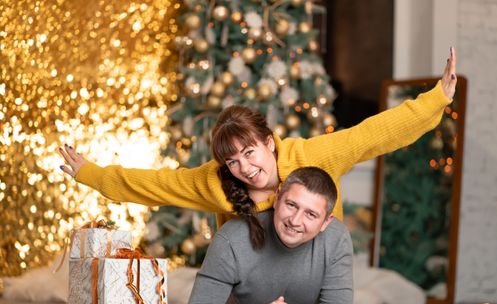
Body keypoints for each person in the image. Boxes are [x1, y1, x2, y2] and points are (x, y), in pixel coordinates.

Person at [59, 48, 457, 246]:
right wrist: (90, 173)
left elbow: (375, 133)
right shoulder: (216, 184)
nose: (245, 168)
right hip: (256, 279)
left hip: (316, 270)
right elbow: (156, 184)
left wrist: (436, 98)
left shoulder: (310, 158)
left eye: (250, 153)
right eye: (232, 161)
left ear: (269, 143)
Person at [186, 167, 353, 304]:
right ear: (277, 198)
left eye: (310, 214)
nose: (295, 221)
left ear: (326, 222)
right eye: (291, 205)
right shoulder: (232, 237)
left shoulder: (336, 239)